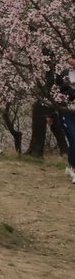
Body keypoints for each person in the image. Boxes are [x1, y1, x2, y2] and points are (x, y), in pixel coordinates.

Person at [53, 56, 75, 184]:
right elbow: (56, 93)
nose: (71, 60)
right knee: (73, 137)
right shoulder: (63, 74)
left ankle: (70, 165)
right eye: (69, 58)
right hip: (66, 111)